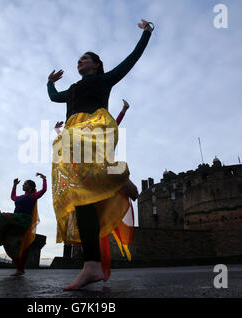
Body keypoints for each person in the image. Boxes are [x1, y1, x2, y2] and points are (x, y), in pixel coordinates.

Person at [47, 19, 154, 290]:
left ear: (96, 64)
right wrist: (49, 83)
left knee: (67, 141)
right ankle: (92, 266)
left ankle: (117, 174)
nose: (79, 62)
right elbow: (54, 97)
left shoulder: (104, 80)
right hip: (74, 132)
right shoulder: (72, 89)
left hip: (96, 126)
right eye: (79, 59)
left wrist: (146, 35)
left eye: (85, 59)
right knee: (79, 195)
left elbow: (131, 60)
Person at [0, 173, 47, 276]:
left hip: (23, 220)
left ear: (30, 187)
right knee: (10, 244)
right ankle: (20, 269)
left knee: (3, 216)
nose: (23, 185)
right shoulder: (20, 197)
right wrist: (14, 185)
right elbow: (13, 197)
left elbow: (44, 190)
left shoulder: (33, 196)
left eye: (25, 184)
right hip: (15, 220)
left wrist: (44, 179)